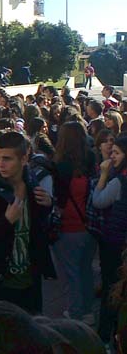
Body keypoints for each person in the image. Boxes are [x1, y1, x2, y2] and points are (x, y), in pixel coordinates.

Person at [0, 131, 56, 314]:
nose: (0, 163)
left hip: (30, 281)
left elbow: (37, 230)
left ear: (24, 159)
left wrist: (47, 206)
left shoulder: (32, 184)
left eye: (7, 158)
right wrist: (5, 222)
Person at [51, 122, 96, 325]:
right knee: (86, 270)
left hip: (69, 225)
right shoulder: (91, 159)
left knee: (70, 272)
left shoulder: (61, 165)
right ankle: (88, 311)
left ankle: (75, 312)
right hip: (90, 224)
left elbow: (59, 200)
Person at [91, 135, 127, 345]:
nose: (112, 156)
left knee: (111, 290)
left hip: (115, 244)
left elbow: (98, 201)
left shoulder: (119, 181)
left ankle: (105, 337)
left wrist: (103, 175)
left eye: (117, 153)